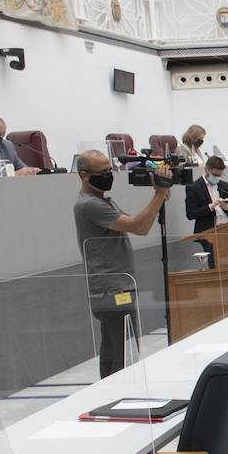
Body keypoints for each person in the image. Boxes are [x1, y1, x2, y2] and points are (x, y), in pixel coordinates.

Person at [72, 150, 168, 378]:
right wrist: (159, 194)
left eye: (110, 170)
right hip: (111, 289)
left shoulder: (102, 200)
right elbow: (140, 227)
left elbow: (138, 222)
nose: (109, 175)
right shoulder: (89, 205)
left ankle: (110, 391)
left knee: (114, 347)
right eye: (103, 172)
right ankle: (117, 392)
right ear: (85, 175)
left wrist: (160, 195)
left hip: (118, 285)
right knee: (122, 349)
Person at [184, 155, 228, 268]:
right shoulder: (194, 187)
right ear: (207, 169)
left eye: (219, 175)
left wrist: (227, 207)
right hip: (208, 233)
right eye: (215, 175)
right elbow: (191, 213)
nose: (217, 177)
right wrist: (210, 207)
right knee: (215, 264)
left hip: (226, 231)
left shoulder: (223, 185)